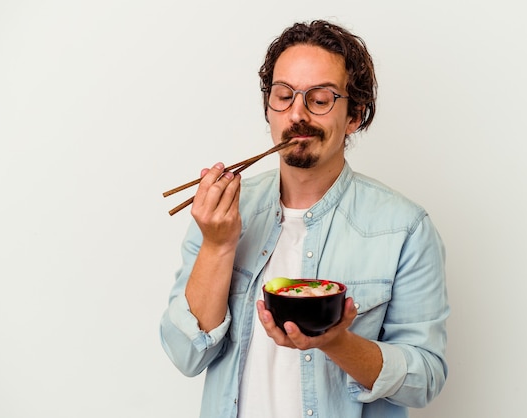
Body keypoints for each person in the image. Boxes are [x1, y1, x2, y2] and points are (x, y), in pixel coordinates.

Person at [160, 20, 449, 418]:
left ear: (355, 115)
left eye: (320, 99)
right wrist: (218, 244)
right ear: (269, 106)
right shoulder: (221, 211)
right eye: (284, 95)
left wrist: (334, 341)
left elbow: (425, 379)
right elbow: (185, 355)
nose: (297, 113)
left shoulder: (405, 228)